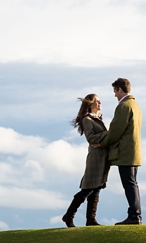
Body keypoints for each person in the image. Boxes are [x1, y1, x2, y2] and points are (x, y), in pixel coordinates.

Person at [98, 77, 143, 225]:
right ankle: (135, 215)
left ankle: (134, 216)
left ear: (120, 90)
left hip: (125, 153)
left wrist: (103, 143)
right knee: (132, 183)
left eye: (115, 91)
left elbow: (116, 130)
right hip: (134, 152)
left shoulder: (124, 106)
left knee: (129, 184)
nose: (114, 94)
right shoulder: (135, 106)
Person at [61, 93, 109, 227]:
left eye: (100, 101)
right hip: (95, 157)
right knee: (88, 188)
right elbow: (92, 139)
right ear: (90, 104)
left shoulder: (98, 118)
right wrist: (108, 133)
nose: (100, 103)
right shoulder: (87, 120)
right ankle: (69, 215)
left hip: (103, 157)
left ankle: (91, 220)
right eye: (97, 101)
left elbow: (99, 139)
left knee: (97, 187)